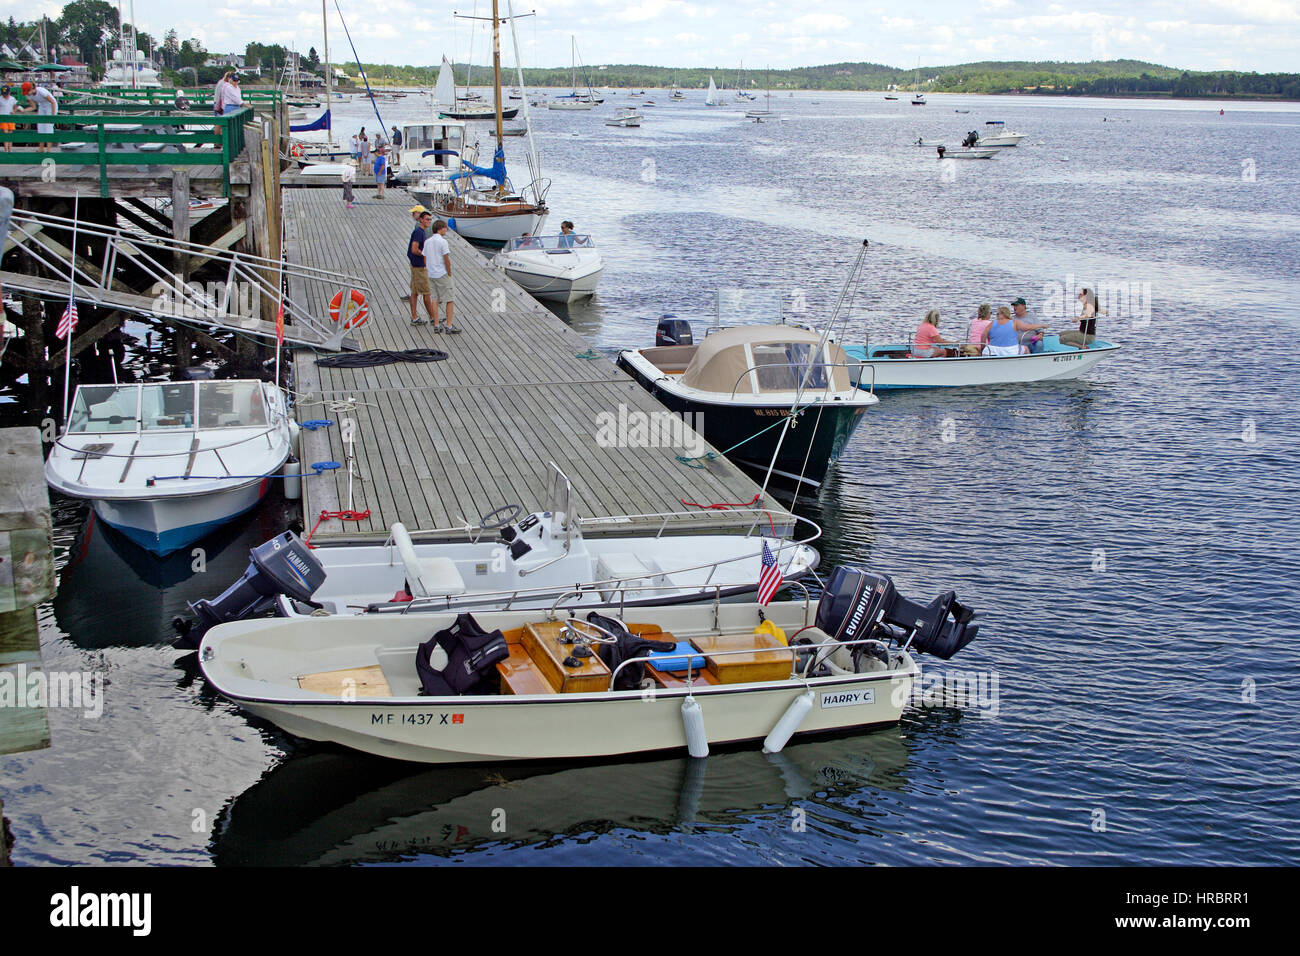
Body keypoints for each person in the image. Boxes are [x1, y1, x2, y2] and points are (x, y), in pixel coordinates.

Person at [423, 220, 458, 334]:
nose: (446, 230)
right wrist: (449, 272)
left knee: (434, 299)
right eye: (445, 228)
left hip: (431, 274)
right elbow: (446, 259)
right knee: (450, 299)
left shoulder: (427, 242)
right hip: (441, 273)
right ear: (440, 229)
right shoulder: (443, 242)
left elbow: (425, 257)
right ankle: (449, 325)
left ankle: (437, 324)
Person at [408, 210, 435, 326]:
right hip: (419, 266)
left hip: (415, 265)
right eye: (427, 219)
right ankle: (433, 318)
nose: (429, 221)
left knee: (414, 292)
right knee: (426, 292)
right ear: (421, 220)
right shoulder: (419, 232)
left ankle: (414, 317)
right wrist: (425, 254)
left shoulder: (421, 231)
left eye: (430, 219)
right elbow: (414, 249)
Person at [20, 82, 57, 152]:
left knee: (48, 127)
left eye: (27, 91)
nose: (27, 93)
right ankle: (41, 147)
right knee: (40, 126)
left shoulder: (41, 91)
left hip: (50, 105)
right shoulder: (28, 95)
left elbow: (53, 102)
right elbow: (33, 107)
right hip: (42, 106)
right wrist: (23, 110)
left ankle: (48, 149)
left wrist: (52, 115)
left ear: (32, 89)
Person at [0, 86, 17, 153]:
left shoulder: (12, 99)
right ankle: (6, 149)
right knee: (5, 133)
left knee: (10, 133)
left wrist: (14, 111)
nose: (5, 95)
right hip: (3, 118)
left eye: (6, 94)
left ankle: (10, 149)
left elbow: (15, 106)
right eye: (4, 94)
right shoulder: (0, 99)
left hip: (10, 118)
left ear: (9, 92)